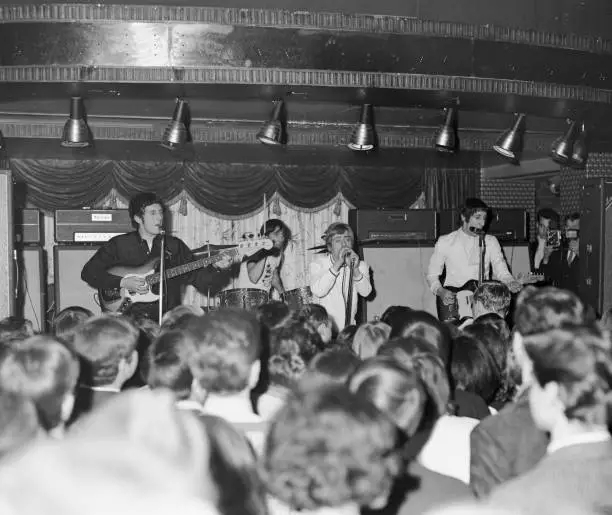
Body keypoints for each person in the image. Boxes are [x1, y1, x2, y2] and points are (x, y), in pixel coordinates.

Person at [81, 192, 232, 321]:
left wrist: (217, 268)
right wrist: (122, 282)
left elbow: (202, 282)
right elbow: (89, 273)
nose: (159, 218)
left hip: (166, 320)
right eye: (153, 213)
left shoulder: (174, 246)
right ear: (138, 219)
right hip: (128, 319)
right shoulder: (119, 244)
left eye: (161, 212)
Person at [427, 198, 521, 323]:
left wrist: (511, 282)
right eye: (477, 218)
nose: (482, 223)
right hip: (454, 304)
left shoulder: (490, 241)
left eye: (484, 218)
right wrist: (441, 291)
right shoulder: (445, 242)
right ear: (463, 217)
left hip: (484, 303)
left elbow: (502, 272)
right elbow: (432, 275)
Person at [310, 222, 372, 331]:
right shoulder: (318, 264)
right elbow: (319, 291)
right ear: (329, 247)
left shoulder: (360, 265)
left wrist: (355, 269)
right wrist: (338, 263)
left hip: (348, 330)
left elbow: (366, 292)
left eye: (347, 240)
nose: (344, 244)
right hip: (323, 330)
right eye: (338, 240)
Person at [236, 219, 291, 302]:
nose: (281, 237)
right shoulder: (253, 250)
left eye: (282, 234)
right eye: (276, 233)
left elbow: (273, 275)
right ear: (266, 236)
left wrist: (283, 294)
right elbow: (253, 278)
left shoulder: (278, 254)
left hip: (262, 300)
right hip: (245, 301)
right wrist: (266, 251)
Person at [530, 208, 561, 277]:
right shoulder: (531, 246)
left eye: (548, 227)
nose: (545, 231)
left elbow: (554, 275)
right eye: (542, 226)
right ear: (537, 225)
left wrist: (546, 258)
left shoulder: (558, 247)